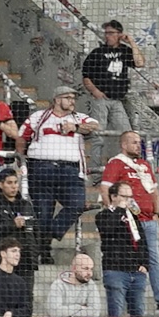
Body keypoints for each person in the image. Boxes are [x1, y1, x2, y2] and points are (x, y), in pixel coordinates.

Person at [99, 131, 159, 310]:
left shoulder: (144, 165)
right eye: (134, 142)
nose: (139, 146)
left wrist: (156, 212)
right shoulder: (116, 163)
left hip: (149, 219)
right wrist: (112, 212)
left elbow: (154, 190)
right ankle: (131, 296)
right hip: (128, 220)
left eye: (140, 142)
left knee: (153, 258)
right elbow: (106, 188)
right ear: (124, 144)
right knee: (130, 257)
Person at [22, 84, 101, 241]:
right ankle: (43, 251)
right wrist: (21, 158)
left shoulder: (78, 117)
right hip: (41, 168)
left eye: (73, 98)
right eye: (68, 98)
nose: (72, 101)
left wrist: (76, 127)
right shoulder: (39, 116)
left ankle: (52, 233)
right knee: (43, 213)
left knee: (77, 204)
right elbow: (22, 136)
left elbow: (96, 126)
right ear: (57, 100)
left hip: (70, 170)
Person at [96, 180, 152, 317]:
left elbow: (142, 241)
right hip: (115, 270)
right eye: (125, 196)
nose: (129, 200)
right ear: (114, 197)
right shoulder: (104, 215)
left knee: (139, 316)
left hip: (136, 272)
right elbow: (107, 229)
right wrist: (119, 210)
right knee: (115, 316)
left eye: (130, 197)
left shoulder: (133, 218)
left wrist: (144, 264)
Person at [81, 20, 142, 138]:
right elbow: (86, 76)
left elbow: (139, 63)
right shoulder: (97, 53)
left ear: (119, 34)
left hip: (117, 99)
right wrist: (95, 91)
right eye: (106, 33)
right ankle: (95, 156)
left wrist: (131, 42)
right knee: (98, 133)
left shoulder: (124, 51)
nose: (107, 36)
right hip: (101, 99)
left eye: (111, 33)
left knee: (127, 133)